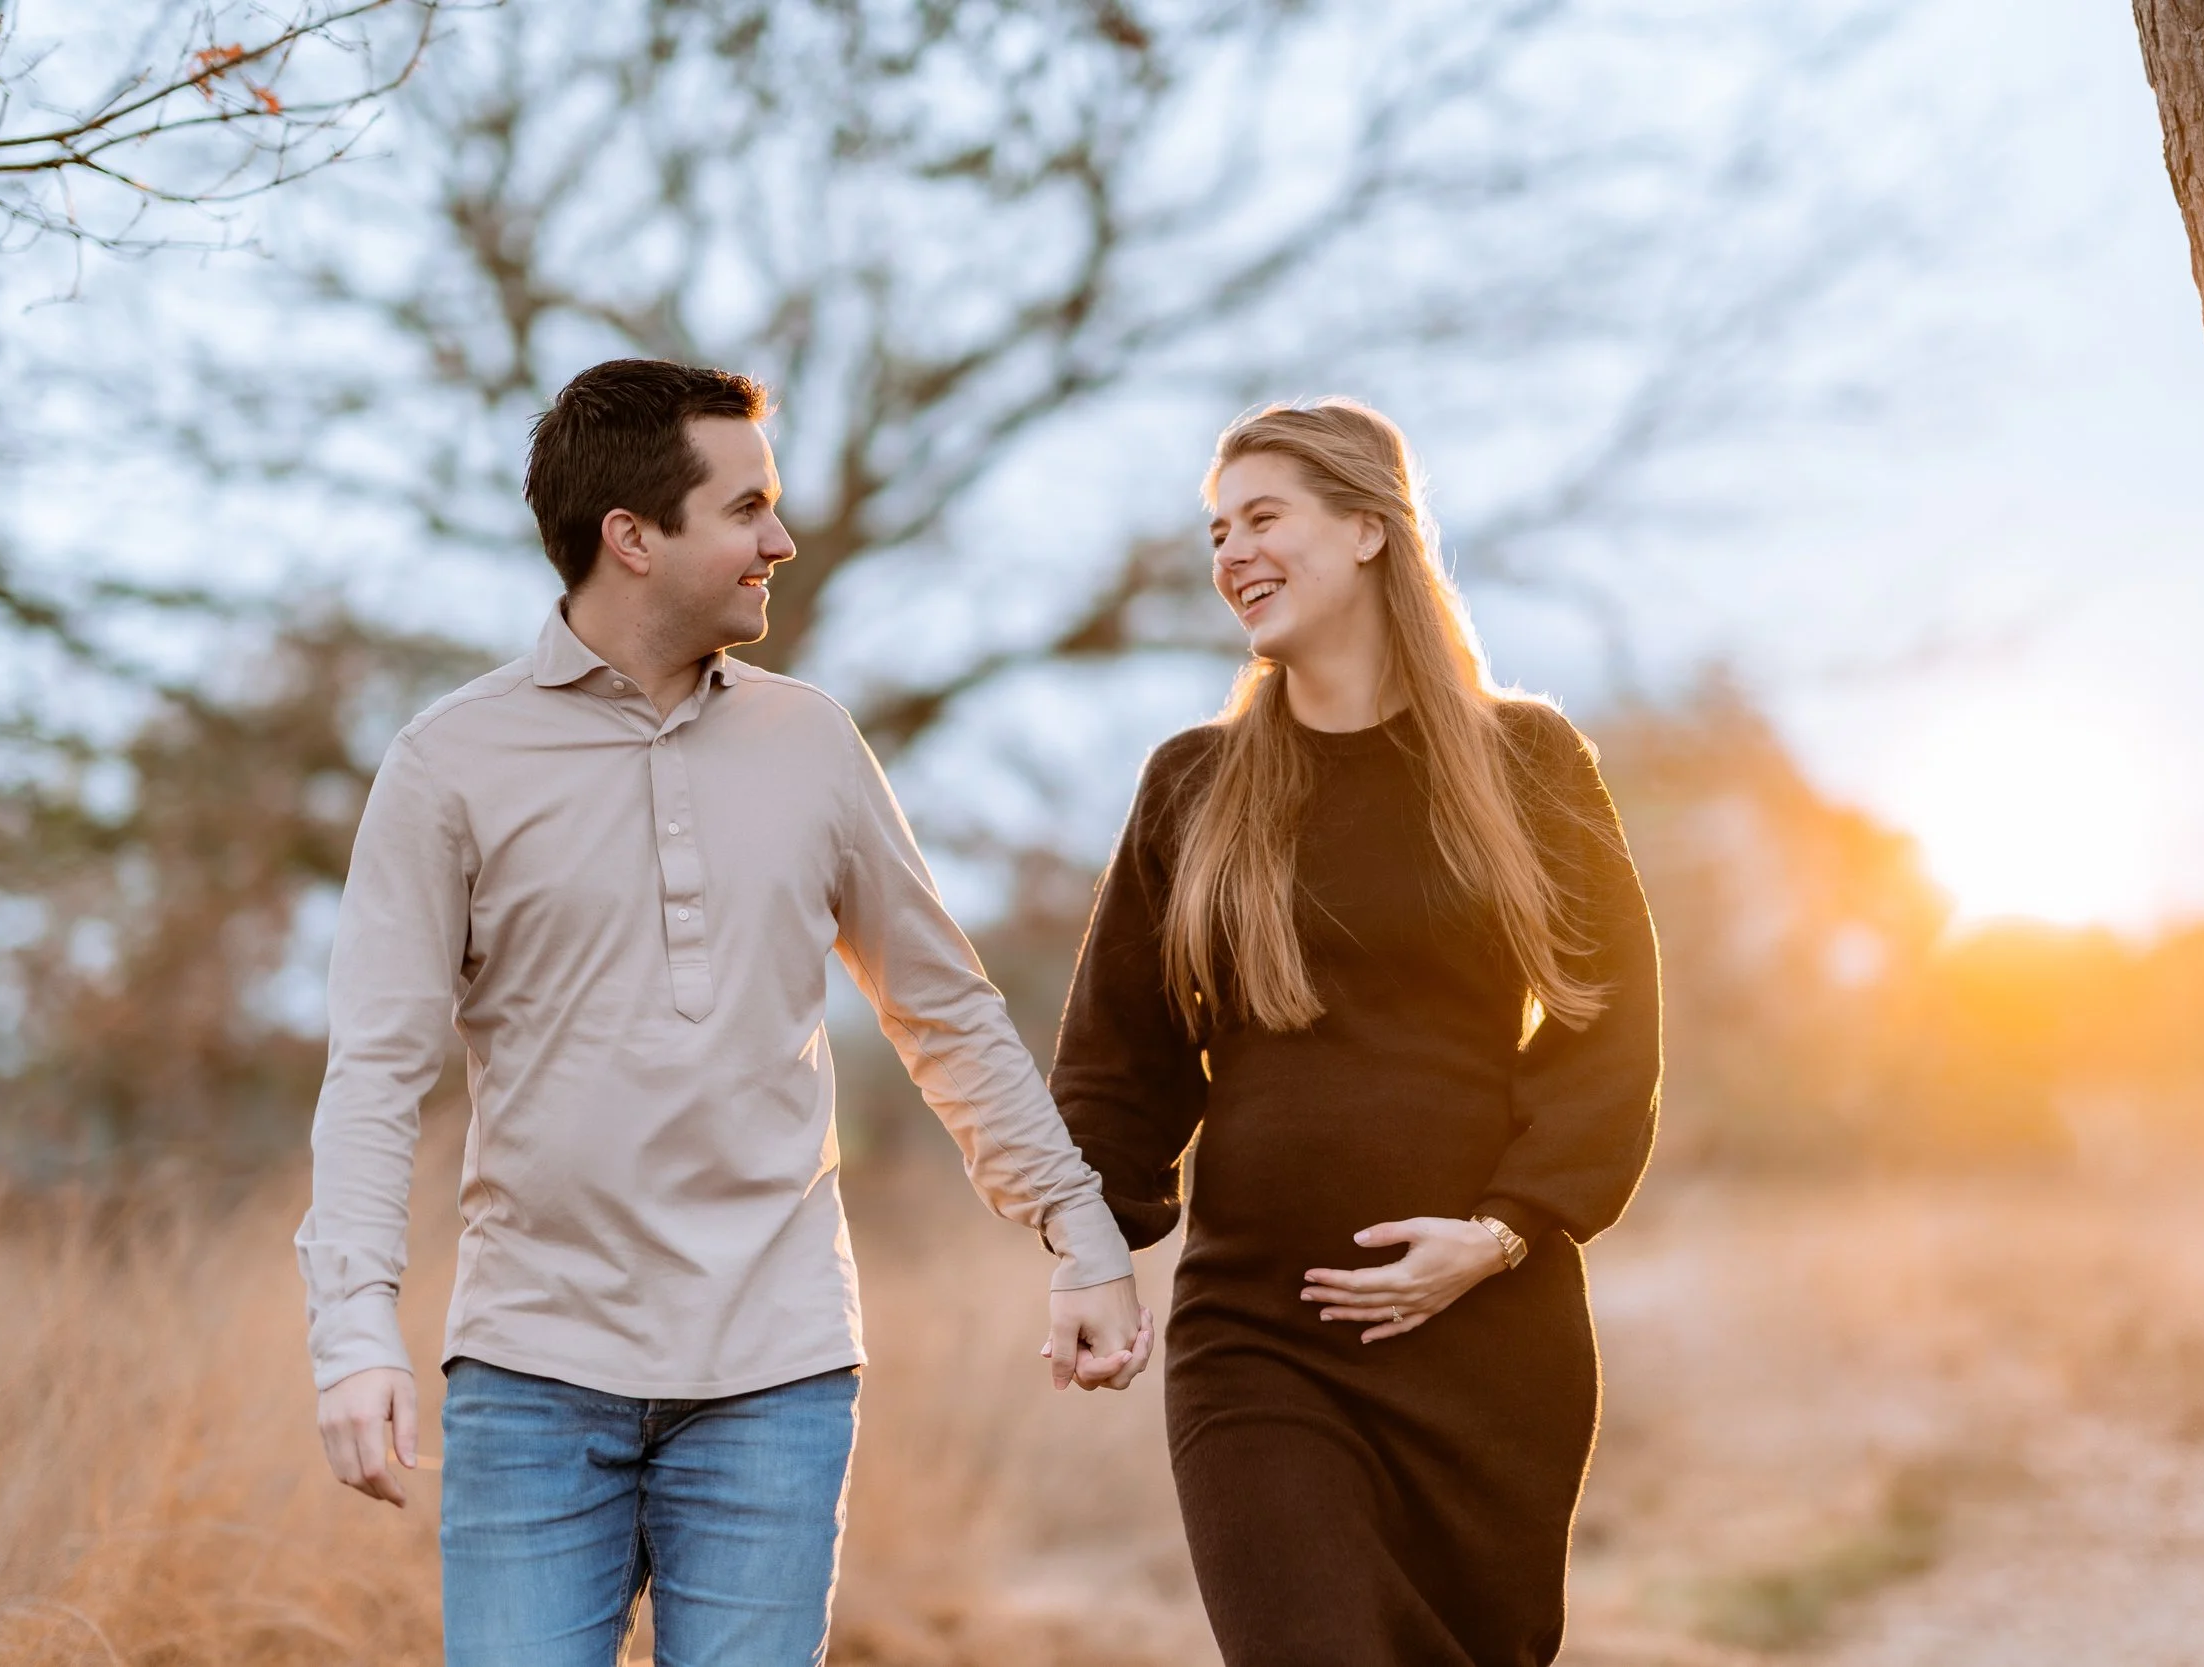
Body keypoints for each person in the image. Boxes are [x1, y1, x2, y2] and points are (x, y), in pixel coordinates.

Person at [295, 358, 1152, 1667]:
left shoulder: (813, 741)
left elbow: (945, 1011)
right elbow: (376, 1070)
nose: (782, 539)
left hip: (776, 1367)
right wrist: (354, 1326)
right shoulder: (446, 764)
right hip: (532, 1368)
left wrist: (1078, 1230)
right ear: (631, 538)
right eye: (747, 507)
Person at [1050, 398, 1661, 1667]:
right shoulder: (1193, 784)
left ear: (1371, 528)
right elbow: (1119, 1058)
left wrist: (1498, 1234)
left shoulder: (1527, 761)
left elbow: (1611, 1031)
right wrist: (1087, 1247)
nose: (1231, 555)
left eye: (1262, 517)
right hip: (1256, 1340)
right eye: (1218, 531)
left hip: (1489, 1346)